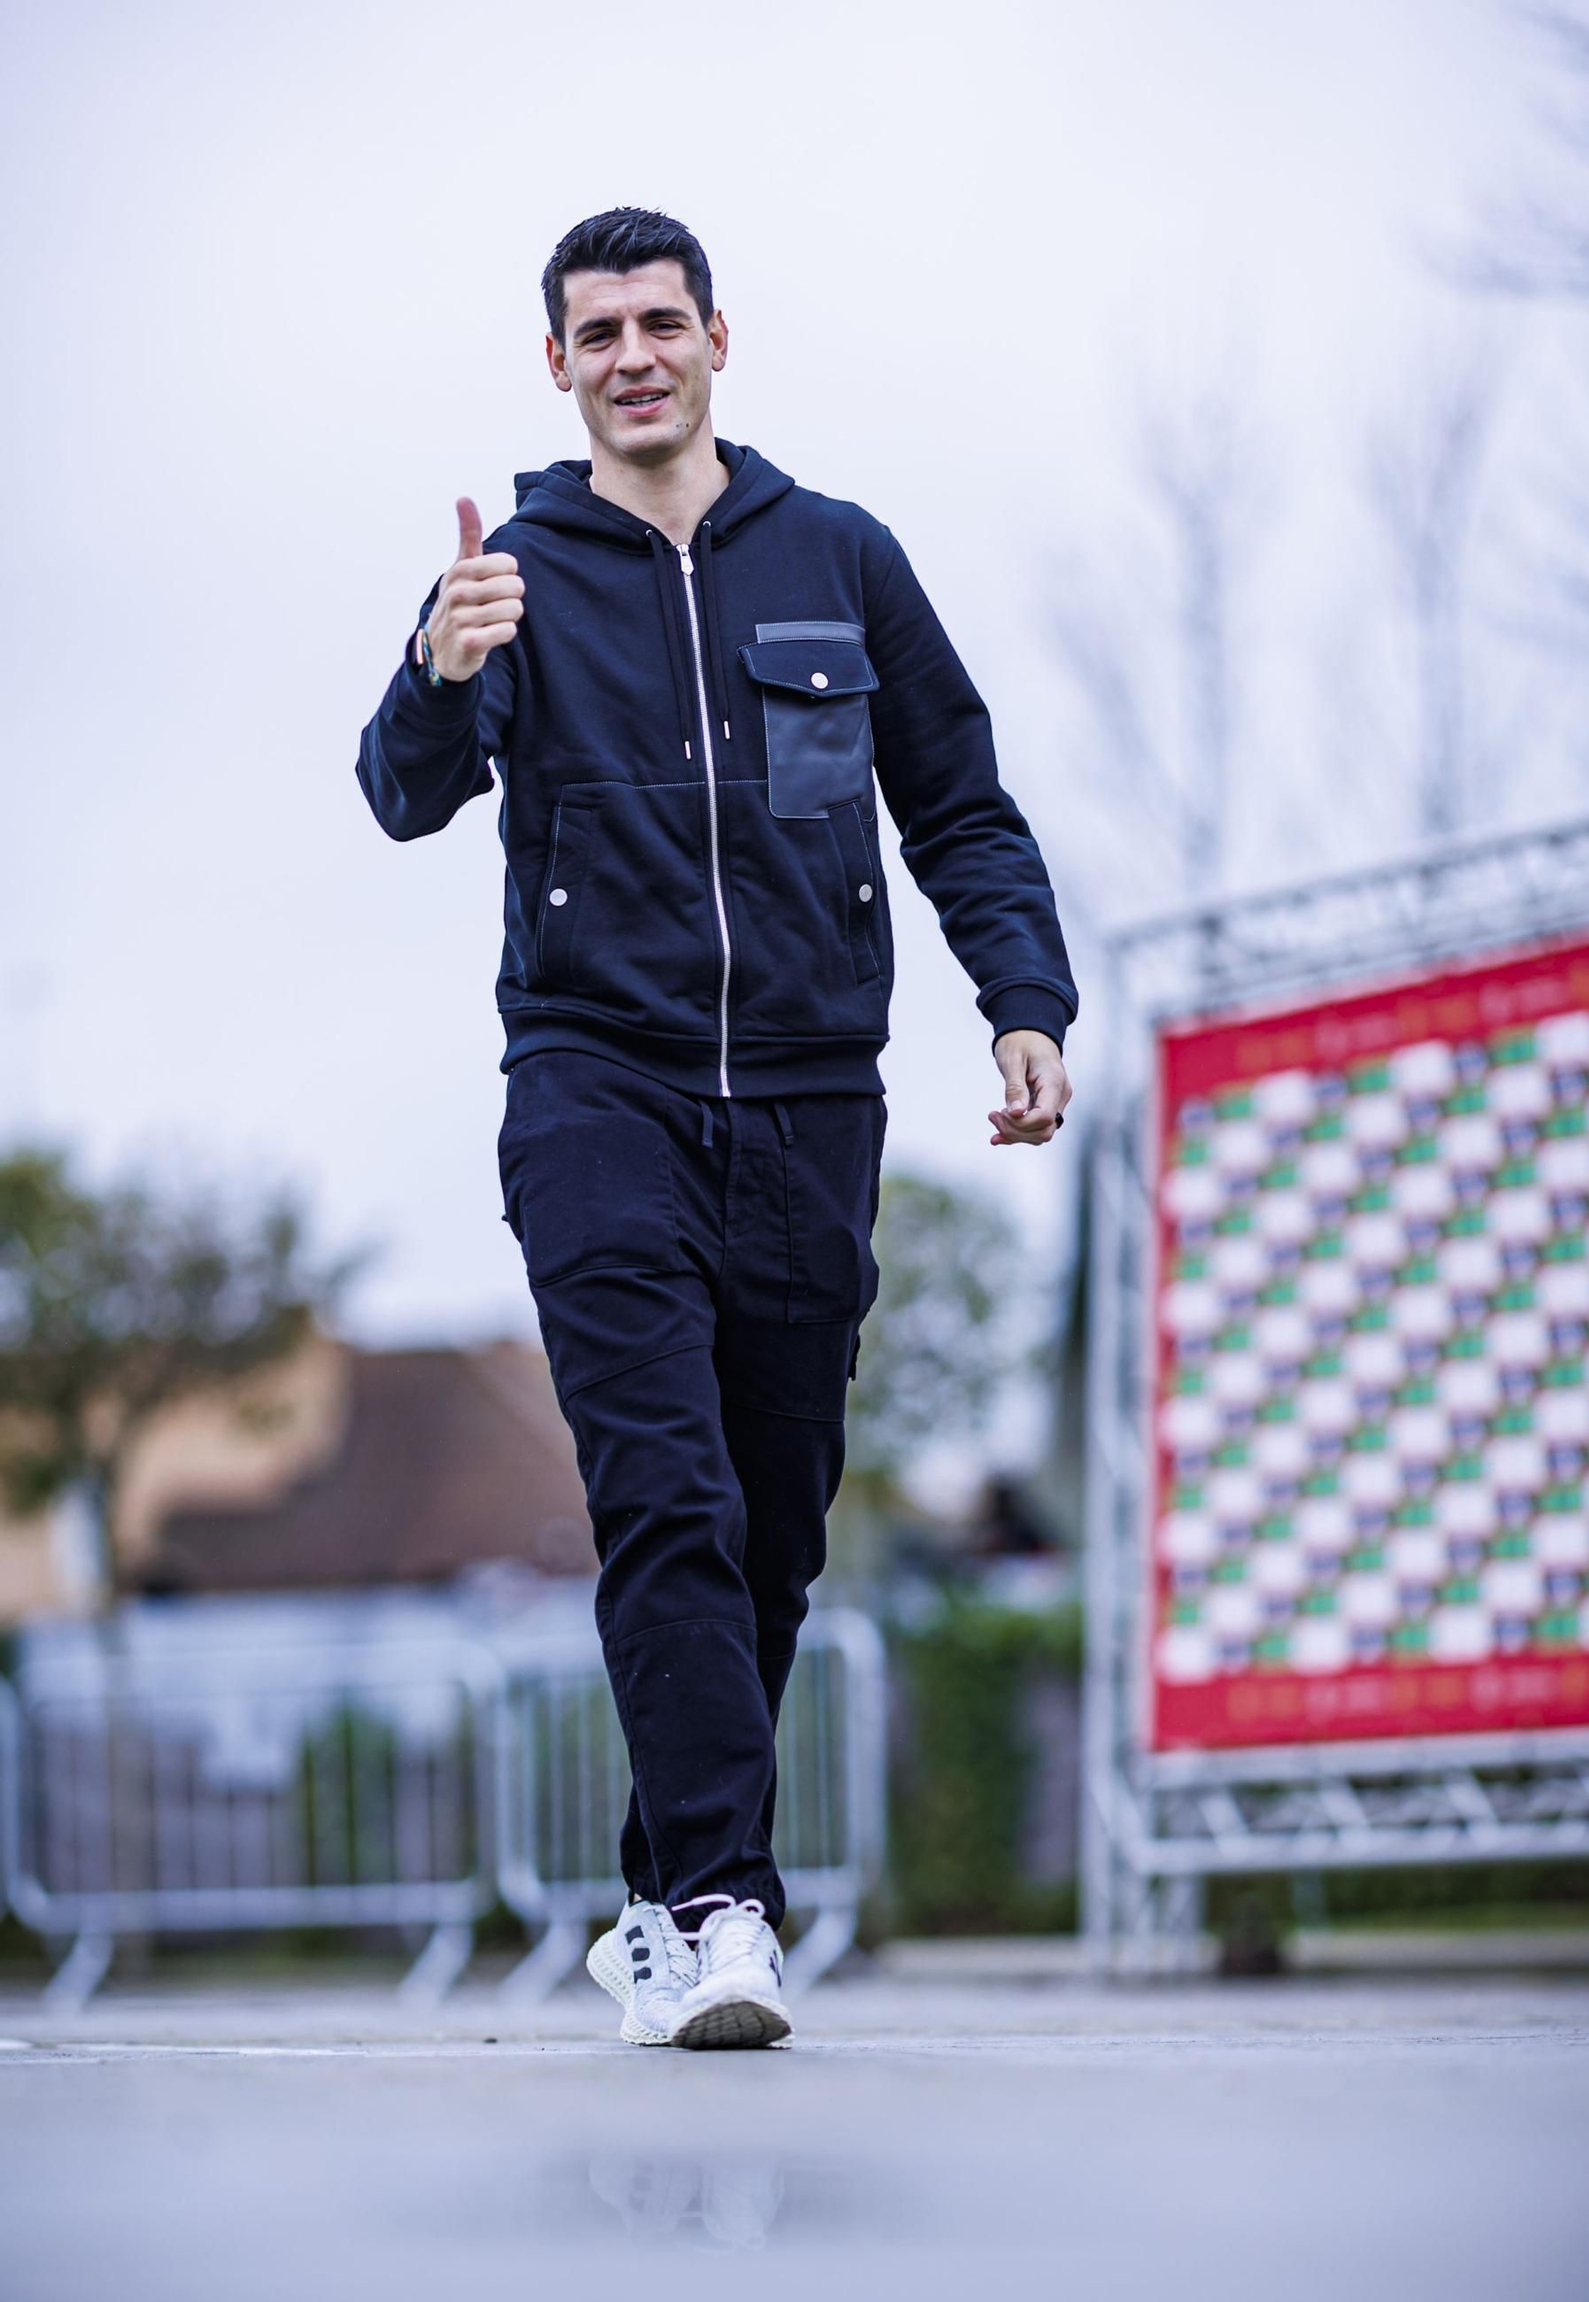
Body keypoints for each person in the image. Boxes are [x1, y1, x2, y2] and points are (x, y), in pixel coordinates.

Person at [356, 207, 1078, 2049]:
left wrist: (1023, 1004)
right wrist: (439, 670)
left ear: (717, 338)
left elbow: (962, 810)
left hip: (816, 1102)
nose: (631, 356)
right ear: (558, 366)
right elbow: (400, 798)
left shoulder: (841, 556)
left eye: (659, 322)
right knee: (661, 1492)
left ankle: (660, 1892)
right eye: (595, 332)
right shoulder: (510, 570)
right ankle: (723, 1909)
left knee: (766, 1531)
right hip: (597, 1086)